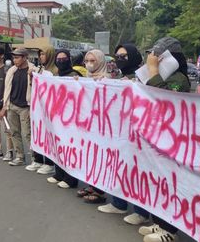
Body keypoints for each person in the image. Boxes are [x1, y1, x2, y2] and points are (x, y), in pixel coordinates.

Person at [137, 37, 190, 242]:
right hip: (156, 136)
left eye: (157, 56)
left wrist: (153, 73)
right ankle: (160, 223)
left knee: (170, 183)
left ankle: (170, 230)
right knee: (157, 181)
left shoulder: (179, 79)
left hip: (173, 140)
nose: (153, 60)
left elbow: (165, 99)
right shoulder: (160, 74)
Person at [97, 44, 150, 225]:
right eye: (118, 56)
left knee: (137, 172)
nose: (120, 60)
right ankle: (118, 203)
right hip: (118, 131)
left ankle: (141, 212)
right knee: (117, 166)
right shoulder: (117, 77)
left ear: (134, 56)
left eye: (124, 56)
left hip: (139, 133)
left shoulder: (145, 78)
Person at [76, 49, 109, 204]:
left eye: (93, 61)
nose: (89, 64)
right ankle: (92, 185)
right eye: (87, 61)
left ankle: (100, 191)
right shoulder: (87, 78)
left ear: (101, 62)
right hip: (88, 126)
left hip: (102, 127)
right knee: (90, 157)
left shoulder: (107, 80)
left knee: (100, 158)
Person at [46, 49, 82, 188]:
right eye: (58, 59)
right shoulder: (55, 75)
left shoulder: (75, 76)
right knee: (58, 145)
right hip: (57, 116)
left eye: (64, 59)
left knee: (69, 148)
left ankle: (70, 178)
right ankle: (59, 173)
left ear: (69, 60)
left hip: (71, 119)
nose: (61, 62)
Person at [0, 48, 36, 166]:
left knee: (28, 134)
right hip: (12, 106)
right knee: (14, 132)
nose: (15, 60)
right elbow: (7, 90)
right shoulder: (12, 71)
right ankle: (20, 156)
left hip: (26, 107)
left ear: (25, 57)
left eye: (17, 57)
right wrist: (5, 106)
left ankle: (36, 159)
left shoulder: (33, 70)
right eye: (13, 57)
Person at [26, 46, 58, 175]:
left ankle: (49, 163)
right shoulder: (40, 70)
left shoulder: (55, 71)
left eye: (44, 54)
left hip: (49, 109)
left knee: (48, 135)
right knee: (37, 133)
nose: (41, 57)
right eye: (40, 54)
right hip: (37, 107)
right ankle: (38, 159)